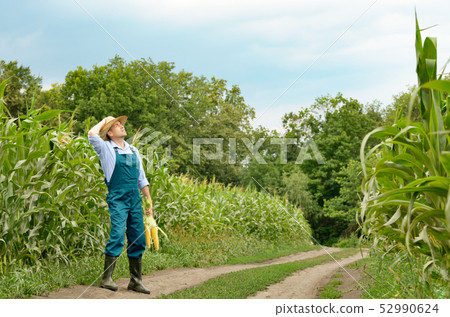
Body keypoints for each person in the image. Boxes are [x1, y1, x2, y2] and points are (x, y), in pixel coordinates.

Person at [88, 116, 153, 294]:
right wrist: (105, 120)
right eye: (117, 125)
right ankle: (106, 278)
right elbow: (92, 134)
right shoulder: (106, 148)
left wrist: (148, 200)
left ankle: (136, 281)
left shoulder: (133, 151)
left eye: (122, 124)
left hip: (135, 198)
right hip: (118, 198)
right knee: (117, 234)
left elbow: (141, 177)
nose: (122, 126)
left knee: (138, 238)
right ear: (110, 133)